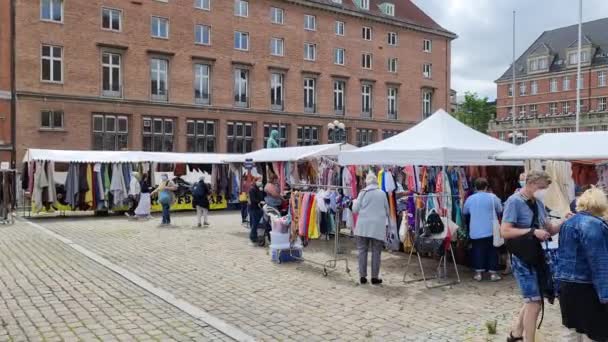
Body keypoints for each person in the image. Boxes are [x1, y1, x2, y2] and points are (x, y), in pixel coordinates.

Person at [501, 170, 564, 342]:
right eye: (541, 187)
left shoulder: (538, 203)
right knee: (534, 303)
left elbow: (549, 229)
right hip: (522, 258)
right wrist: (532, 231)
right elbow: (504, 231)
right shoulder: (514, 202)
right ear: (531, 184)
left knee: (533, 299)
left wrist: (565, 221)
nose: (543, 190)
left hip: (537, 256)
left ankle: (516, 334)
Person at [556, 186, 608, 342]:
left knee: (571, 331)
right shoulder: (594, 225)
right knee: (593, 333)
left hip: (567, 284)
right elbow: (599, 261)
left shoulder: (568, 222)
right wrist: (605, 295)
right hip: (586, 285)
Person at [352, 173, 390, 285]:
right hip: (377, 227)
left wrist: (354, 202)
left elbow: (355, 209)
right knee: (376, 252)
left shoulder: (362, 193)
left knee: (362, 251)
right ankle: (374, 277)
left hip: (363, 226)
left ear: (367, 182)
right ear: (376, 182)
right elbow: (387, 211)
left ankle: (362, 276)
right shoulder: (382, 193)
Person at [463, 178, 503, 282]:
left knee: (477, 251)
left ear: (475, 187)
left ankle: (478, 274)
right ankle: (493, 274)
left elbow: (465, 211)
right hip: (491, 229)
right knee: (492, 251)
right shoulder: (493, 197)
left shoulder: (470, 199)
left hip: (476, 230)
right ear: (487, 187)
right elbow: (500, 209)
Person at [248, 178, 265, 246]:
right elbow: (252, 199)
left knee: (256, 223)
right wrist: (259, 201)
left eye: (261, 181)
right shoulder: (252, 189)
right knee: (254, 223)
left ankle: (255, 236)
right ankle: (253, 237)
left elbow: (261, 197)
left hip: (258, 208)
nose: (260, 182)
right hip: (253, 208)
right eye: (259, 181)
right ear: (255, 181)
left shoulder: (258, 189)